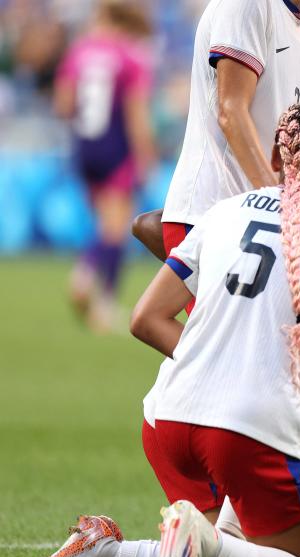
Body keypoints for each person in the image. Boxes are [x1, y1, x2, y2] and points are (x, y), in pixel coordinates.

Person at [24, 104, 300, 557]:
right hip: (250, 431)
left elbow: (145, 318)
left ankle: (105, 551)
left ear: (273, 155)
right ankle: (205, 542)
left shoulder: (225, 210)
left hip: (169, 420)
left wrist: (221, 361)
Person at [132, 0, 300, 262]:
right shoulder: (249, 4)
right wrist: (280, 205)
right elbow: (231, 113)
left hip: (255, 217)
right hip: (213, 213)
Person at [53, 1, 155, 331]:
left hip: (84, 147)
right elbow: (137, 114)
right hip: (116, 147)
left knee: (106, 223)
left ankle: (98, 298)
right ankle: (93, 286)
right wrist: (145, 154)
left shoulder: (78, 52)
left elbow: (63, 104)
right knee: (116, 227)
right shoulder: (130, 57)